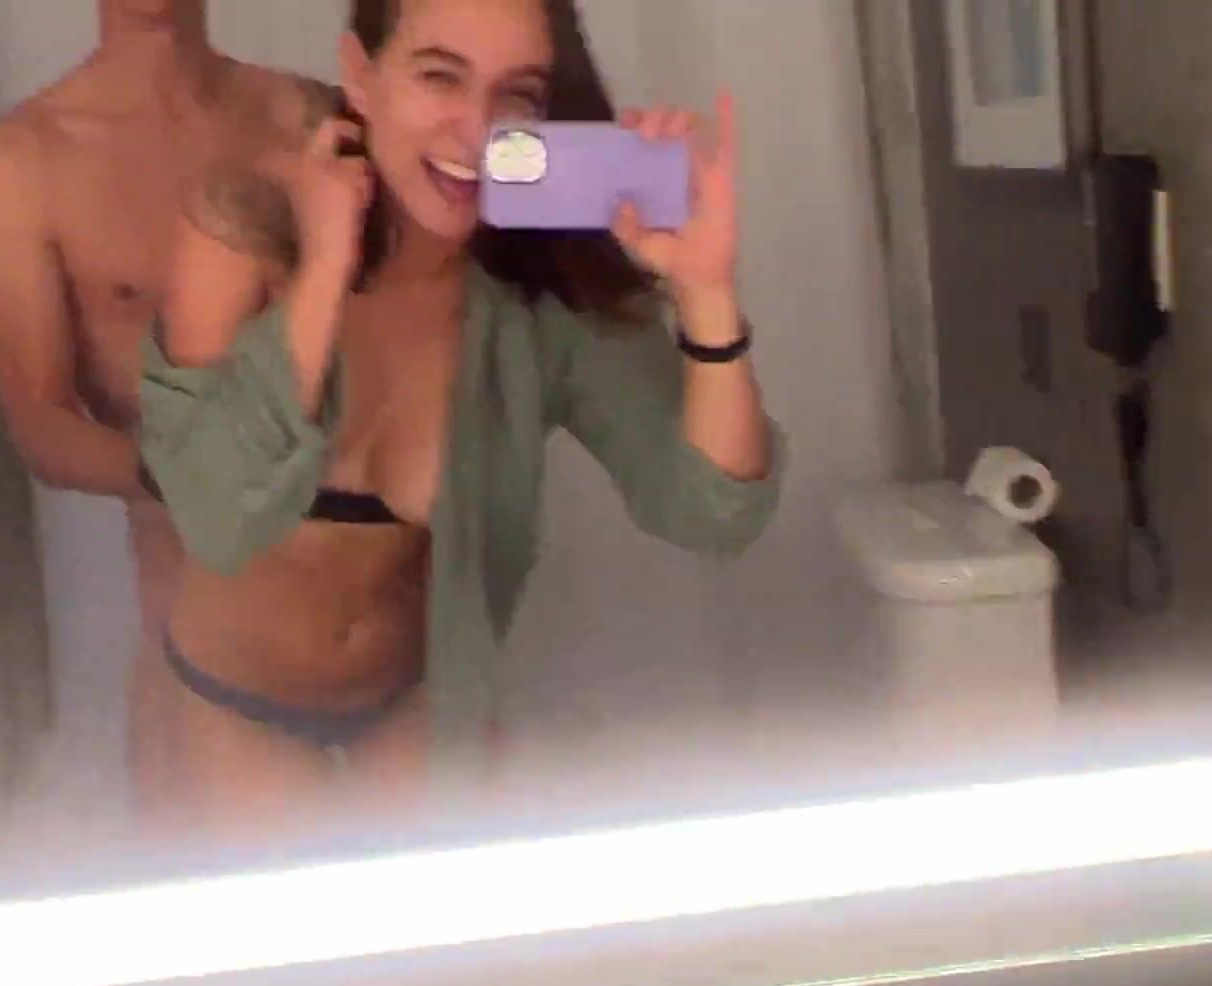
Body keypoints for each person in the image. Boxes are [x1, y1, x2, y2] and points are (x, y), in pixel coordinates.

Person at [140, 0, 787, 841]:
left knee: (431, 922)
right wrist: (325, 268)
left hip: (416, 700)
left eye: (515, 95)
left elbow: (711, 513)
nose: (478, 130)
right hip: (233, 701)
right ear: (360, 75)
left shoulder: (538, 298)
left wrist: (707, 295)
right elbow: (215, 518)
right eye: (440, 77)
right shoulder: (244, 228)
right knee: (295, 922)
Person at [0, 0, 337, 825]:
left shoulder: (305, 114)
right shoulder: (19, 162)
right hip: (200, 647)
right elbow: (42, 426)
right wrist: (207, 473)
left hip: (379, 628)